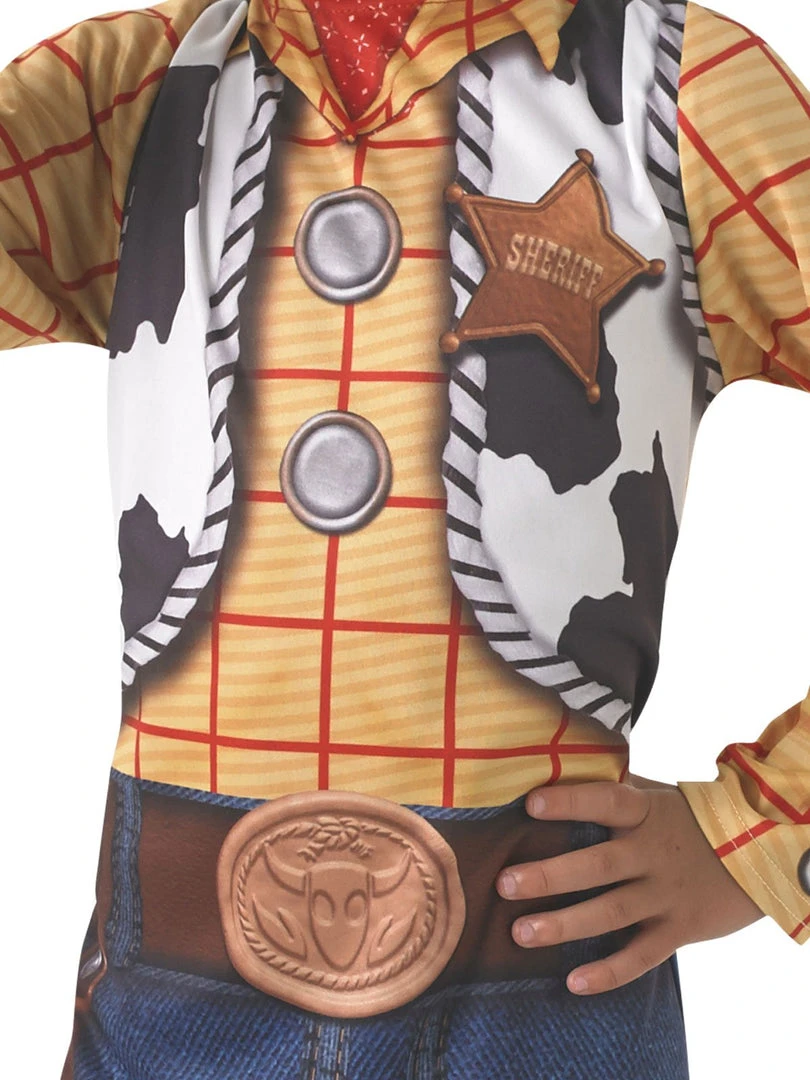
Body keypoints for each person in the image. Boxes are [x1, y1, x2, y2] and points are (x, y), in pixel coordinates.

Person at [1, 0, 808, 1077]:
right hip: (168, 985)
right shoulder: (133, 95)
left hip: (543, 978)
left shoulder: (678, 93)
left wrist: (767, 834)